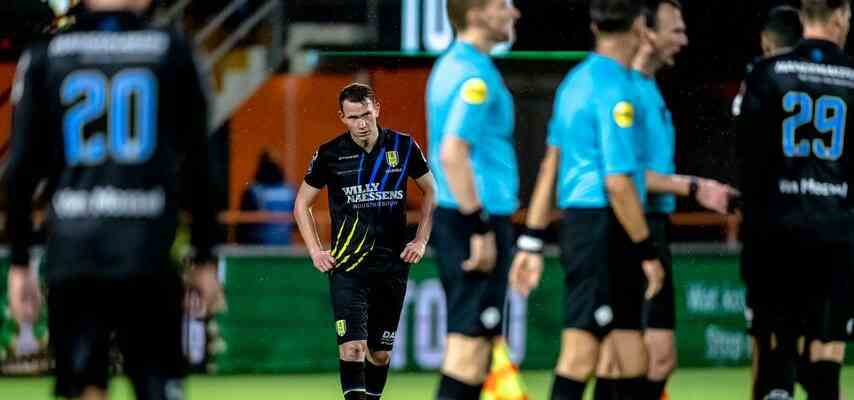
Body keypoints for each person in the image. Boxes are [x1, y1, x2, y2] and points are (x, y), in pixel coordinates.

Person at [4, 0, 223, 399]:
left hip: (74, 253)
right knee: (156, 382)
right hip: (147, 252)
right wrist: (206, 254)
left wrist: (20, 261)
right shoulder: (172, 49)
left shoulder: (46, 55)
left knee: (84, 385)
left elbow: (18, 170)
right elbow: (201, 164)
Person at [510, 1, 664, 399]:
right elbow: (617, 182)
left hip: (583, 224)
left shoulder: (574, 82)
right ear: (639, 27)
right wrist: (647, 249)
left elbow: (550, 165)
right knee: (582, 352)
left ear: (595, 26)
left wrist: (531, 238)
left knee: (630, 349)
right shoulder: (618, 88)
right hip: (605, 226)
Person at [619, 1, 736, 398]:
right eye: (677, 30)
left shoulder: (648, 87)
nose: (685, 40)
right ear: (647, 34)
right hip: (634, 227)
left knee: (656, 358)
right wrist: (694, 187)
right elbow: (624, 173)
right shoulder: (625, 90)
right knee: (632, 358)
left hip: (657, 225)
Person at [736, 0, 853, 399]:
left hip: (777, 232)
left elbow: (749, 160)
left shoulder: (766, 74)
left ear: (803, 18)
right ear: (840, 15)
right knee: (827, 350)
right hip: (835, 232)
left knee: (775, 347)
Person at [293, 83, 434, 400]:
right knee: (353, 347)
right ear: (341, 116)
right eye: (353, 117)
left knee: (379, 353)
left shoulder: (403, 146)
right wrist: (315, 250)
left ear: (377, 109)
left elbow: (432, 192)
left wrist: (421, 240)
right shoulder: (330, 154)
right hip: (348, 269)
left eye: (366, 115)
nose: (361, 123)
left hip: (392, 268)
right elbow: (302, 204)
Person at [425, 0, 520, 399]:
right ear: (477, 14)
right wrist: (479, 226)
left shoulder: (452, 65)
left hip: (462, 216)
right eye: (504, 5)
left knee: (477, 348)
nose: (514, 13)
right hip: (473, 219)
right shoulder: (473, 75)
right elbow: (452, 153)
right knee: (469, 347)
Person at [732, 6, 803, 399]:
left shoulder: (757, 81)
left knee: (764, 333)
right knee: (815, 338)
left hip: (767, 226)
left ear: (764, 42)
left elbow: (746, 150)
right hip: (819, 219)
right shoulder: (827, 77)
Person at [237, 150, 296, 245]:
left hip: (260, 248)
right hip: (283, 246)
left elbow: (242, 227)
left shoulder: (252, 191)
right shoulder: (290, 191)